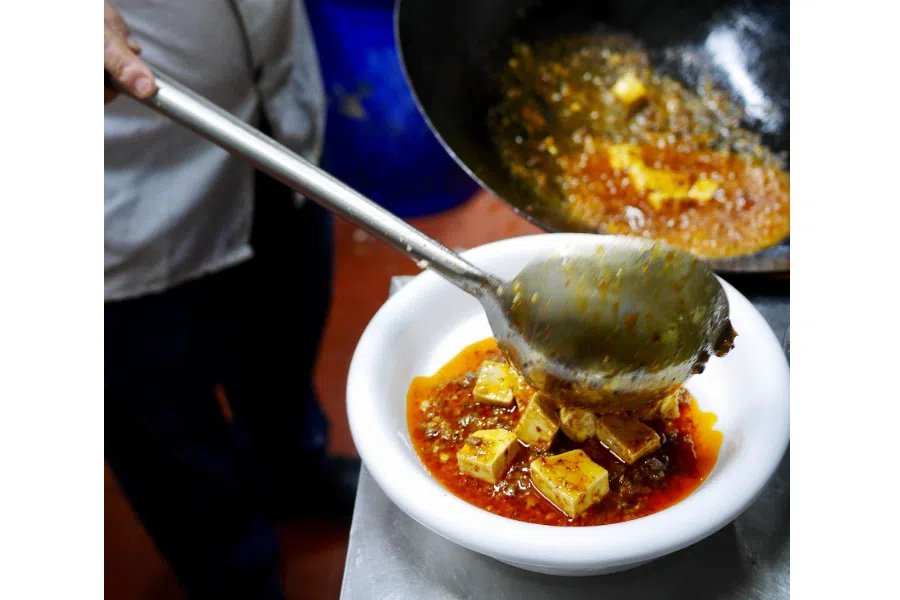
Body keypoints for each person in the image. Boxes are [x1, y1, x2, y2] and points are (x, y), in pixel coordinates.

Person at [104, 1, 360, 598]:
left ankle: (293, 475)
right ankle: (232, 573)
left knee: (284, 347)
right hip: (125, 196)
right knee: (168, 438)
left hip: (278, 127)